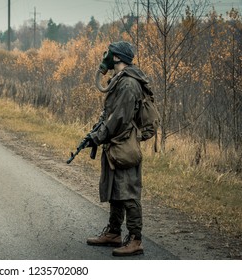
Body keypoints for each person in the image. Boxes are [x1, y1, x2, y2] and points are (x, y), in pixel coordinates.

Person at [84, 41, 151, 257]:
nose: (106, 56)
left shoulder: (129, 84)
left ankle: (135, 239)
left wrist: (98, 136)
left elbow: (119, 119)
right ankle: (114, 232)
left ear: (116, 58)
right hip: (116, 142)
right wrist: (98, 132)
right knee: (115, 188)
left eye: (109, 53)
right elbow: (111, 114)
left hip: (124, 142)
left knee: (128, 191)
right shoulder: (119, 80)